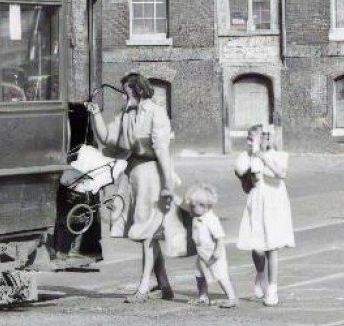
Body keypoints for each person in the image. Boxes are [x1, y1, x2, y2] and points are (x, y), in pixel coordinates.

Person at [85, 72, 178, 304]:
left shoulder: (156, 113)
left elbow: (162, 151)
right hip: (134, 177)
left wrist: (167, 185)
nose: (124, 96)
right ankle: (164, 284)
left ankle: (144, 287)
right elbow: (107, 138)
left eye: (126, 92)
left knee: (147, 233)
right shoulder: (126, 113)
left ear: (138, 91)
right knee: (148, 232)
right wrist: (95, 113)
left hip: (152, 176)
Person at [234, 122, 294, 306]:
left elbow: (281, 173)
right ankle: (261, 275)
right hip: (256, 202)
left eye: (254, 138)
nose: (250, 142)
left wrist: (262, 156)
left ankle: (272, 289)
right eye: (248, 138)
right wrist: (252, 156)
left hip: (274, 203)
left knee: (272, 246)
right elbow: (240, 172)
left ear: (266, 138)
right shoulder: (245, 156)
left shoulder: (278, 155)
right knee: (257, 247)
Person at [187, 183, 237, 308]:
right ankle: (203, 296)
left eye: (193, 207)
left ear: (204, 206)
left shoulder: (211, 219)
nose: (190, 209)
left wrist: (217, 252)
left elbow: (219, 237)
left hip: (214, 254)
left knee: (221, 275)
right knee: (199, 274)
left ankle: (232, 298)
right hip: (202, 253)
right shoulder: (197, 217)